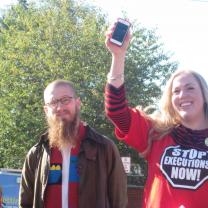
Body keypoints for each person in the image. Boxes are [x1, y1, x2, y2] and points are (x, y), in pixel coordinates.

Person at [105, 22, 208, 208]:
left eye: (190, 88)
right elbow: (117, 111)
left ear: (204, 95)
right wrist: (118, 56)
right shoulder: (157, 134)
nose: (183, 95)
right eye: (176, 91)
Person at [19, 80, 127, 208]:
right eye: (53, 103)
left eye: (65, 100)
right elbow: (25, 203)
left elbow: (119, 202)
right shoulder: (36, 154)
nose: (60, 108)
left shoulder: (104, 148)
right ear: (46, 110)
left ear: (77, 103)